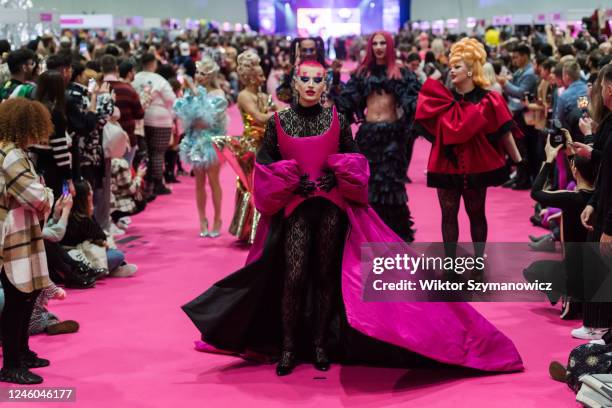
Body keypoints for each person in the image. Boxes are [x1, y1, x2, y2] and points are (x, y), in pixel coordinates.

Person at [183, 60, 523, 378]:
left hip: (332, 207)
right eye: (305, 79)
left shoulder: (337, 120)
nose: (312, 85)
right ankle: (288, 346)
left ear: (326, 85)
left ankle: (319, 344)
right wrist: (287, 179)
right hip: (294, 209)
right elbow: (265, 164)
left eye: (318, 80)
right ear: (294, 84)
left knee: (326, 274)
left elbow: (355, 157)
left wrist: (340, 172)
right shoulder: (277, 122)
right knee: (294, 275)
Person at [414, 38, 522, 261]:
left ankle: (479, 259)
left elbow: (505, 132)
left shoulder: (490, 100)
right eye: (451, 66)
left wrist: (519, 162)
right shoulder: (444, 99)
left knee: (476, 214)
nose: (451, 71)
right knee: (448, 216)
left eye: (457, 66)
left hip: (476, 166)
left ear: (471, 70)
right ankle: (451, 264)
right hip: (445, 164)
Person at [336, 31, 421, 241]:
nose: (379, 47)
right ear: (370, 47)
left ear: (390, 46)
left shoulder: (400, 72)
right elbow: (347, 102)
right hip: (368, 135)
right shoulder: (362, 73)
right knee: (368, 184)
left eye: (383, 43)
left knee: (391, 185)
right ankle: (368, 234)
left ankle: (395, 236)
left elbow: (414, 102)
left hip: (393, 136)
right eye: (375, 43)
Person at [0, 98, 56, 384]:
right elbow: (36, 196)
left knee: (26, 296)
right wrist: (48, 196)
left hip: (22, 232)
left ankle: (21, 353)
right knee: (17, 299)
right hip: (14, 237)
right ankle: (11, 363)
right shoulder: (12, 157)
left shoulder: (14, 153)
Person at [175, 57, 228, 238]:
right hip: (194, 141)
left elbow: (208, 119)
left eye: (203, 73)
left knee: (213, 181)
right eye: (198, 72)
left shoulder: (218, 94)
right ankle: (202, 219)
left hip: (212, 142)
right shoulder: (191, 93)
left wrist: (196, 96)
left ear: (211, 75)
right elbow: (187, 117)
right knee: (199, 182)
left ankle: (218, 218)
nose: (199, 76)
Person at [578, 64, 612, 338]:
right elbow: (606, 169)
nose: (597, 91)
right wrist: (592, 202)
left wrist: (610, 228)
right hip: (601, 200)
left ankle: (601, 329)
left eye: (600, 86)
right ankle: (600, 328)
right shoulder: (609, 120)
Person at [227, 50, 275, 243]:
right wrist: (285, 113)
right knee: (252, 187)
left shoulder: (263, 95)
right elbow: (259, 117)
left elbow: (273, 109)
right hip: (252, 147)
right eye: (260, 75)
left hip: (267, 144)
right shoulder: (244, 96)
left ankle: (264, 230)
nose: (263, 78)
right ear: (251, 77)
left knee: (266, 187)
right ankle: (252, 232)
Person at [132, 53, 176, 197]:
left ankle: (147, 185)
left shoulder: (135, 78)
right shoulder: (160, 80)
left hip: (142, 119)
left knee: (146, 153)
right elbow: (171, 99)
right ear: (153, 64)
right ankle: (157, 184)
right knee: (158, 153)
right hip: (160, 120)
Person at [497, 43, 538, 190]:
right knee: (518, 149)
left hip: (525, 114)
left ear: (525, 56)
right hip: (517, 112)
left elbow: (520, 92)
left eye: (516, 57)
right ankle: (520, 177)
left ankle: (524, 179)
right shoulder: (521, 71)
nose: (514, 60)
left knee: (523, 148)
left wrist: (506, 83)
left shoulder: (529, 73)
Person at [32, 70, 73, 199]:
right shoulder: (55, 113)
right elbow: (60, 149)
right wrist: (69, 178)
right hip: (51, 167)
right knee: (54, 203)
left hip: (32, 163)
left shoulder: (33, 107)